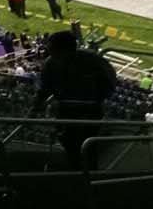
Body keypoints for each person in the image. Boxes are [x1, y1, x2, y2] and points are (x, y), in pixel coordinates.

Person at [38, 31, 117, 168]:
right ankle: (79, 171)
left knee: (88, 143)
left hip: (89, 110)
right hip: (67, 110)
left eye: (52, 48)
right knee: (71, 143)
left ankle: (88, 172)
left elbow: (109, 80)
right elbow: (44, 89)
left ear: (64, 49)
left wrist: (98, 98)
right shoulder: (50, 64)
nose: (49, 51)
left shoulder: (91, 60)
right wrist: (36, 106)